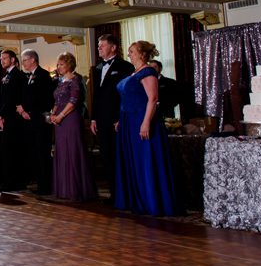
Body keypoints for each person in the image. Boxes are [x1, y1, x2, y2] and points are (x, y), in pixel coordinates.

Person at [114, 41, 183, 216]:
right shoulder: (133, 73)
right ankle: (138, 199)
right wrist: (121, 120)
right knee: (134, 160)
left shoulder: (148, 71)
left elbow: (152, 99)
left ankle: (151, 200)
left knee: (146, 160)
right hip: (128, 121)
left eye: (131, 51)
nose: (129, 54)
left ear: (142, 54)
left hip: (141, 120)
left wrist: (145, 123)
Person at [91, 33, 134, 198]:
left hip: (117, 119)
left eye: (102, 45)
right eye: (98, 46)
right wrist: (94, 118)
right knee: (106, 156)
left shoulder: (125, 67)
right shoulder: (98, 68)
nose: (99, 48)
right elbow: (96, 95)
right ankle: (114, 193)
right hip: (101, 119)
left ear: (113, 47)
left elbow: (125, 95)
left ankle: (125, 193)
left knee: (119, 157)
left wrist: (120, 118)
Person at [50, 53, 97, 201]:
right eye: (58, 64)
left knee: (73, 150)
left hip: (70, 119)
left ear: (70, 65)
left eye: (61, 64)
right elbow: (57, 99)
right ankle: (64, 188)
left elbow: (74, 101)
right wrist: (53, 113)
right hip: (59, 120)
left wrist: (61, 115)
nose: (58, 67)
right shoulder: (60, 81)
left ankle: (77, 189)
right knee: (62, 151)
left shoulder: (76, 79)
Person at [18, 49, 56, 195]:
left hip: (40, 121)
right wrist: (23, 109)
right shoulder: (30, 76)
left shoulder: (43, 75)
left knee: (42, 153)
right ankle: (39, 182)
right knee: (34, 153)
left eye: (25, 60)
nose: (23, 63)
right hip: (30, 120)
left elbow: (43, 98)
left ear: (33, 60)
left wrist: (26, 108)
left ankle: (45, 185)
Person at [0, 49, 28, 192]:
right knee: (6, 151)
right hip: (7, 118)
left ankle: (14, 182)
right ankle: (9, 181)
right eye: (1, 58)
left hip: (15, 119)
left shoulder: (17, 75)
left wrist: (0, 114)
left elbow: (12, 99)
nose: (2, 60)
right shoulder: (7, 76)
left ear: (13, 59)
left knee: (12, 151)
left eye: (5, 58)